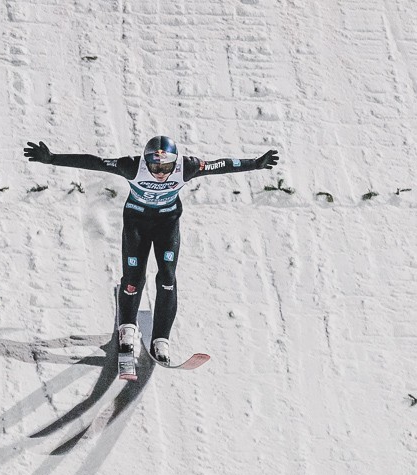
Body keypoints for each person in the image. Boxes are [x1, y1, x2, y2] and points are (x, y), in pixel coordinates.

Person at [24, 135, 279, 364]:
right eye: (155, 167)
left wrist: (255, 164)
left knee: (167, 278)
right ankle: (127, 328)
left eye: (165, 168)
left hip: (167, 224)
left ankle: (161, 339)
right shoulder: (132, 166)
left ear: (174, 163)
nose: (160, 173)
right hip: (137, 223)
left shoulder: (186, 167)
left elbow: (219, 165)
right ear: (146, 163)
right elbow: (95, 162)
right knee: (133, 278)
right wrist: (52, 159)